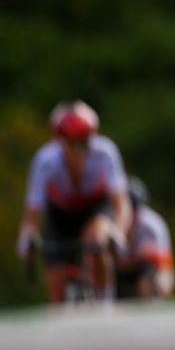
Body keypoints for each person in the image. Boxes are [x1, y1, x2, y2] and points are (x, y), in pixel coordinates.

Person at [16, 100, 132, 302]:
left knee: (97, 239)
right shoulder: (45, 161)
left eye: (84, 142)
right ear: (59, 142)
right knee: (56, 283)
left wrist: (118, 232)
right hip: (60, 213)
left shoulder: (106, 153)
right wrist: (27, 238)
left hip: (94, 207)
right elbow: (32, 213)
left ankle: (105, 301)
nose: (79, 151)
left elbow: (121, 204)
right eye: (72, 144)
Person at [116, 176, 175, 300]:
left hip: (144, 269)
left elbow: (165, 262)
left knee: (151, 272)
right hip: (119, 268)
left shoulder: (152, 225)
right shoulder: (111, 221)